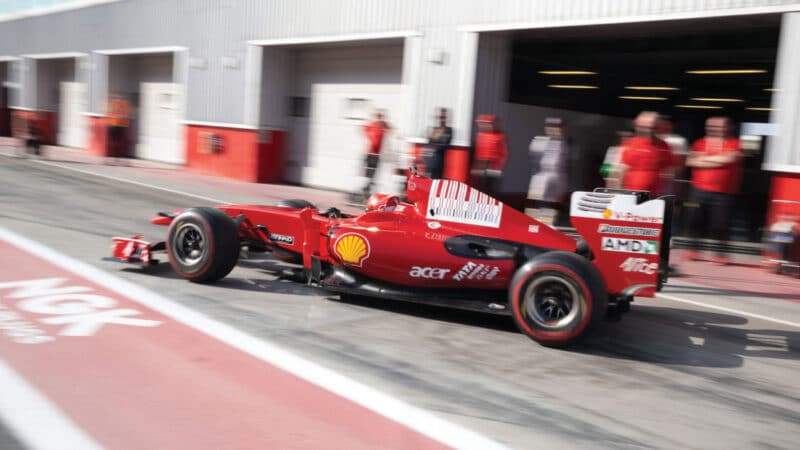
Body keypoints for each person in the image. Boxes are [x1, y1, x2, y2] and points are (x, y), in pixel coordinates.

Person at [684, 116, 743, 264]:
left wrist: (703, 159)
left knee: (721, 224)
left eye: (719, 126)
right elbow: (690, 161)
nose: (714, 129)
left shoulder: (735, 143)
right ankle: (694, 250)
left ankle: (720, 253)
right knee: (694, 220)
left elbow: (730, 159)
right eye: (711, 126)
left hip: (724, 192)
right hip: (698, 190)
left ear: (728, 127)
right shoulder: (699, 143)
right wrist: (718, 159)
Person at [617, 111, 673, 197]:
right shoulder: (630, 144)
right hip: (631, 193)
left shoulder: (663, 145)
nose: (650, 130)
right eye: (647, 127)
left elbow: (668, 171)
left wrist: (666, 193)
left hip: (654, 194)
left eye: (653, 127)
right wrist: (618, 192)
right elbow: (621, 170)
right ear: (640, 127)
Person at [526, 117, 571, 225]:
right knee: (535, 200)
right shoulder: (539, 141)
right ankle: (530, 222)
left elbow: (568, 164)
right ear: (546, 128)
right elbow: (534, 161)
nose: (554, 130)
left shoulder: (567, 143)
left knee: (551, 202)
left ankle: (547, 225)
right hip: (542, 173)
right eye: (551, 127)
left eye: (557, 127)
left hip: (557, 175)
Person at [355, 110, 393, 201]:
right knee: (368, 175)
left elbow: (391, 131)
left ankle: (366, 189)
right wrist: (369, 135)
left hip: (377, 155)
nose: (379, 119)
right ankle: (365, 190)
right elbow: (361, 128)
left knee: (373, 176)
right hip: (370, 153)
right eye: (378, 117)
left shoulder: (383, 126)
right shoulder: (372, 125)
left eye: (380, 117)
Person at [472, 114, 508, 196]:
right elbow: (479, 151)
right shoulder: (480, 135)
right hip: (482, 164)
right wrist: (476, 166)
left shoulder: (500, 136)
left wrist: (499, 166)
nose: (483, 126)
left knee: (491, 189)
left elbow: (504, 153)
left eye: (487, 124)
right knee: (481, 188)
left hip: (493, 165)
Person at [424, 107, 452, 179]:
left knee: (437, 182)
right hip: (429, 163)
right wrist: (435, 139)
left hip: (439, 163)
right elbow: (429, 144)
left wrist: (434, 138)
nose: (442, 119)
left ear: (446, 118)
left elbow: (444, 145)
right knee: (428, 182)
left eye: (443, 117)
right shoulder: (434, 129)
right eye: (440, 117)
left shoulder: (448, 130)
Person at [106, 93, 131, 158]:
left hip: (114, 124)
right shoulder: (124, 104)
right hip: (120, 125)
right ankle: (117, 154)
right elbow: (127, 113)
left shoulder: (111, 103)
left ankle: (114, 154)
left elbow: (107, 112)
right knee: (118, 141)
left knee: (114, 141)